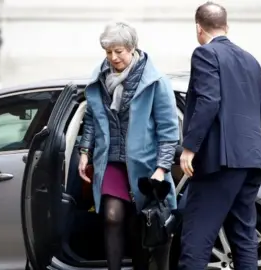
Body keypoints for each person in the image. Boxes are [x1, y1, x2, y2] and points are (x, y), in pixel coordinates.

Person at [178, 2, 261, 270]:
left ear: (199, 28)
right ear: (226, 26)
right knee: (244, 239)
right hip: (253, 160)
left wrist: (189, 148)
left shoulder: (205, 54)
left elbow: (209, 101)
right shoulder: (251, 60)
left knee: (196, 241)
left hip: (220, 163)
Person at [78, 21, 180, 270]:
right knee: (112, 216)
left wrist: (161, 169)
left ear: (132, 48)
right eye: (108, 52)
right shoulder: (100, 79)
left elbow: (168, 131)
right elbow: (91, 118)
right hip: (110, 161)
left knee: (141, 224)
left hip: (146, 166)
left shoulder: (156, 82)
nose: (113, 58)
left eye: (118, 51)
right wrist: (84, 151)